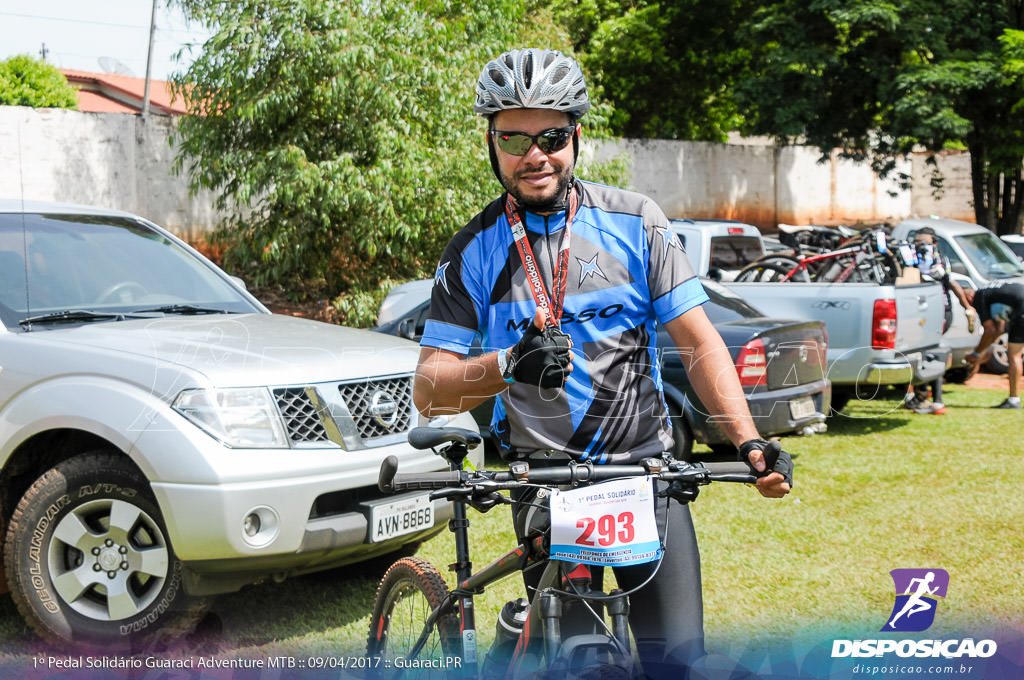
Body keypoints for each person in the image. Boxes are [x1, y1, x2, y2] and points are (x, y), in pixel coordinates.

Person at [412, 48, 792, 675]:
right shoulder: (473, 250)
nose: (534, 154)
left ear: (576, 137)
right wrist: (508, 365)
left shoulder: (636, 221)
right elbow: (429, 391)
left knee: (680, 661)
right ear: (491, 141)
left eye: (551, 136)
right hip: (546, 485)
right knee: (582, 662)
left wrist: (748, 440)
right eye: (513, 136)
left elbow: (699, 343)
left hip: (648, 478)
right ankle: (524, 642)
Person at [903, 227, 977, 415]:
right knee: (915, 352)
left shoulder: (938, 259)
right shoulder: (911, 257)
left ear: (934, 243)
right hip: (918, 312)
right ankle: (920, 394)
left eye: (924, 242)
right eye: (917, 241)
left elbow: (950, 281)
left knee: (930, 352)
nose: (920, 245)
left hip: (938, 312)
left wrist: (967, 307)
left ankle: (936, 402)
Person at [963, 282, 1024, 409]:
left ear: (969, 298)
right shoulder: (992, 292)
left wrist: (976, 353)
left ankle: (1013, 400)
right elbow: (999, 329)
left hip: (1021, 310)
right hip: (1019, 304)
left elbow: (990, 330)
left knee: (1014, 355)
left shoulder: (979, 297)